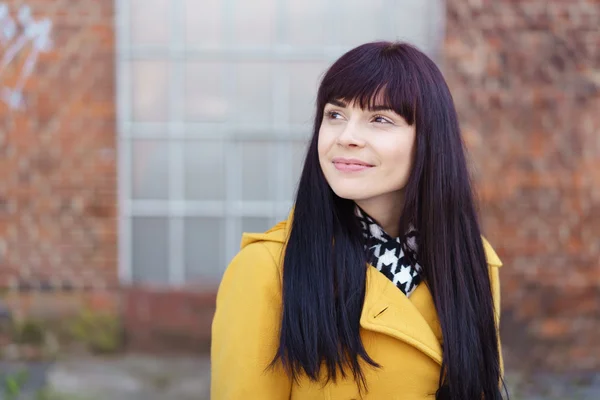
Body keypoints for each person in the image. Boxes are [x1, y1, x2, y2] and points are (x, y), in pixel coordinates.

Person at [211, 41, 507, 400]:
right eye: (335, 115)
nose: (346, 137)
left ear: (430, 140)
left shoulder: (472, 260)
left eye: (380, 119)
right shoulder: (266, 270)